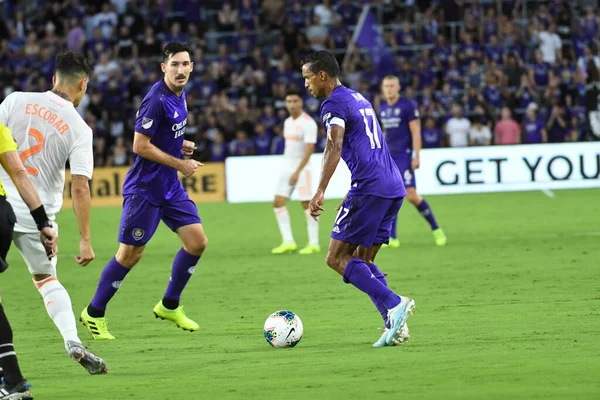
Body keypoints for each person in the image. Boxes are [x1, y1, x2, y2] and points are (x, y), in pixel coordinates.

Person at [80, 42, 206, 339]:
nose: (181, 69)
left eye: (185, 64)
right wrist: (179, 162)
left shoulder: (181, 94)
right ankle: (94, 313)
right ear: (164, 67)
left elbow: (163, 134)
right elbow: (139, 145)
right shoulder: (156, 100)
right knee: (130, 255)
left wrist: (179, 144)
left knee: (197, 242)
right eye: (174, 64)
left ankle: (169, 305)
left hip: (169, 188)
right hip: (145, 190)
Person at [0, 52, 107, 375]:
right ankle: (72, 340)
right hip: (39, 218)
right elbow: (79, 187)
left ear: (53, 79)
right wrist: (85, 239)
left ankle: (9, 370)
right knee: (47, 280)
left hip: (2, 203)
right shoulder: (80, 128)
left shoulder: (15, 101)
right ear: (83, 85)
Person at [301, 51, 415, 347]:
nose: (306, 85)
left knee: (335, 257)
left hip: (370, 186)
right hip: (392, 186)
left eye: (307, 77)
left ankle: (394, 303)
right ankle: (395, 325)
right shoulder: (357, 97)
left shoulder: (333, 103)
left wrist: (321, 189)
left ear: (322, 75)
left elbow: (334, 143)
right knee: (362, 260)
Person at [0, 121, 59, 399]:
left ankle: (12, 381)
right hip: (2, 213)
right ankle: (9, 380)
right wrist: (42, 222)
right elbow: (19, 172)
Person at [379, 76, 447, 248]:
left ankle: (436, 229)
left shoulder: (407, 105)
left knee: (411, 195)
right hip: (389, 157)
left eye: (392, 86)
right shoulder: (383, 106)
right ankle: (392, 238)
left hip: (404, 155)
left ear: (398, 87)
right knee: (390, 196)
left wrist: (417, 155)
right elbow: (386, 132)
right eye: (386, 86)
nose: (388, 89)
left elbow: (416, 132)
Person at [271, 88, 320, 255]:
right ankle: (288, 242)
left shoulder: (308, 123)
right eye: (289, 101)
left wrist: (298, 171)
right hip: (287, 167)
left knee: (307, 204)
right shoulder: (287, 122)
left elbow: (310, 149)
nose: (291, 105)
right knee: (278, 202)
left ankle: (314, 243)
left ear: (301, 103)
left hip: (302, 168)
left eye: (295, 101)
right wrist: (290, 169)